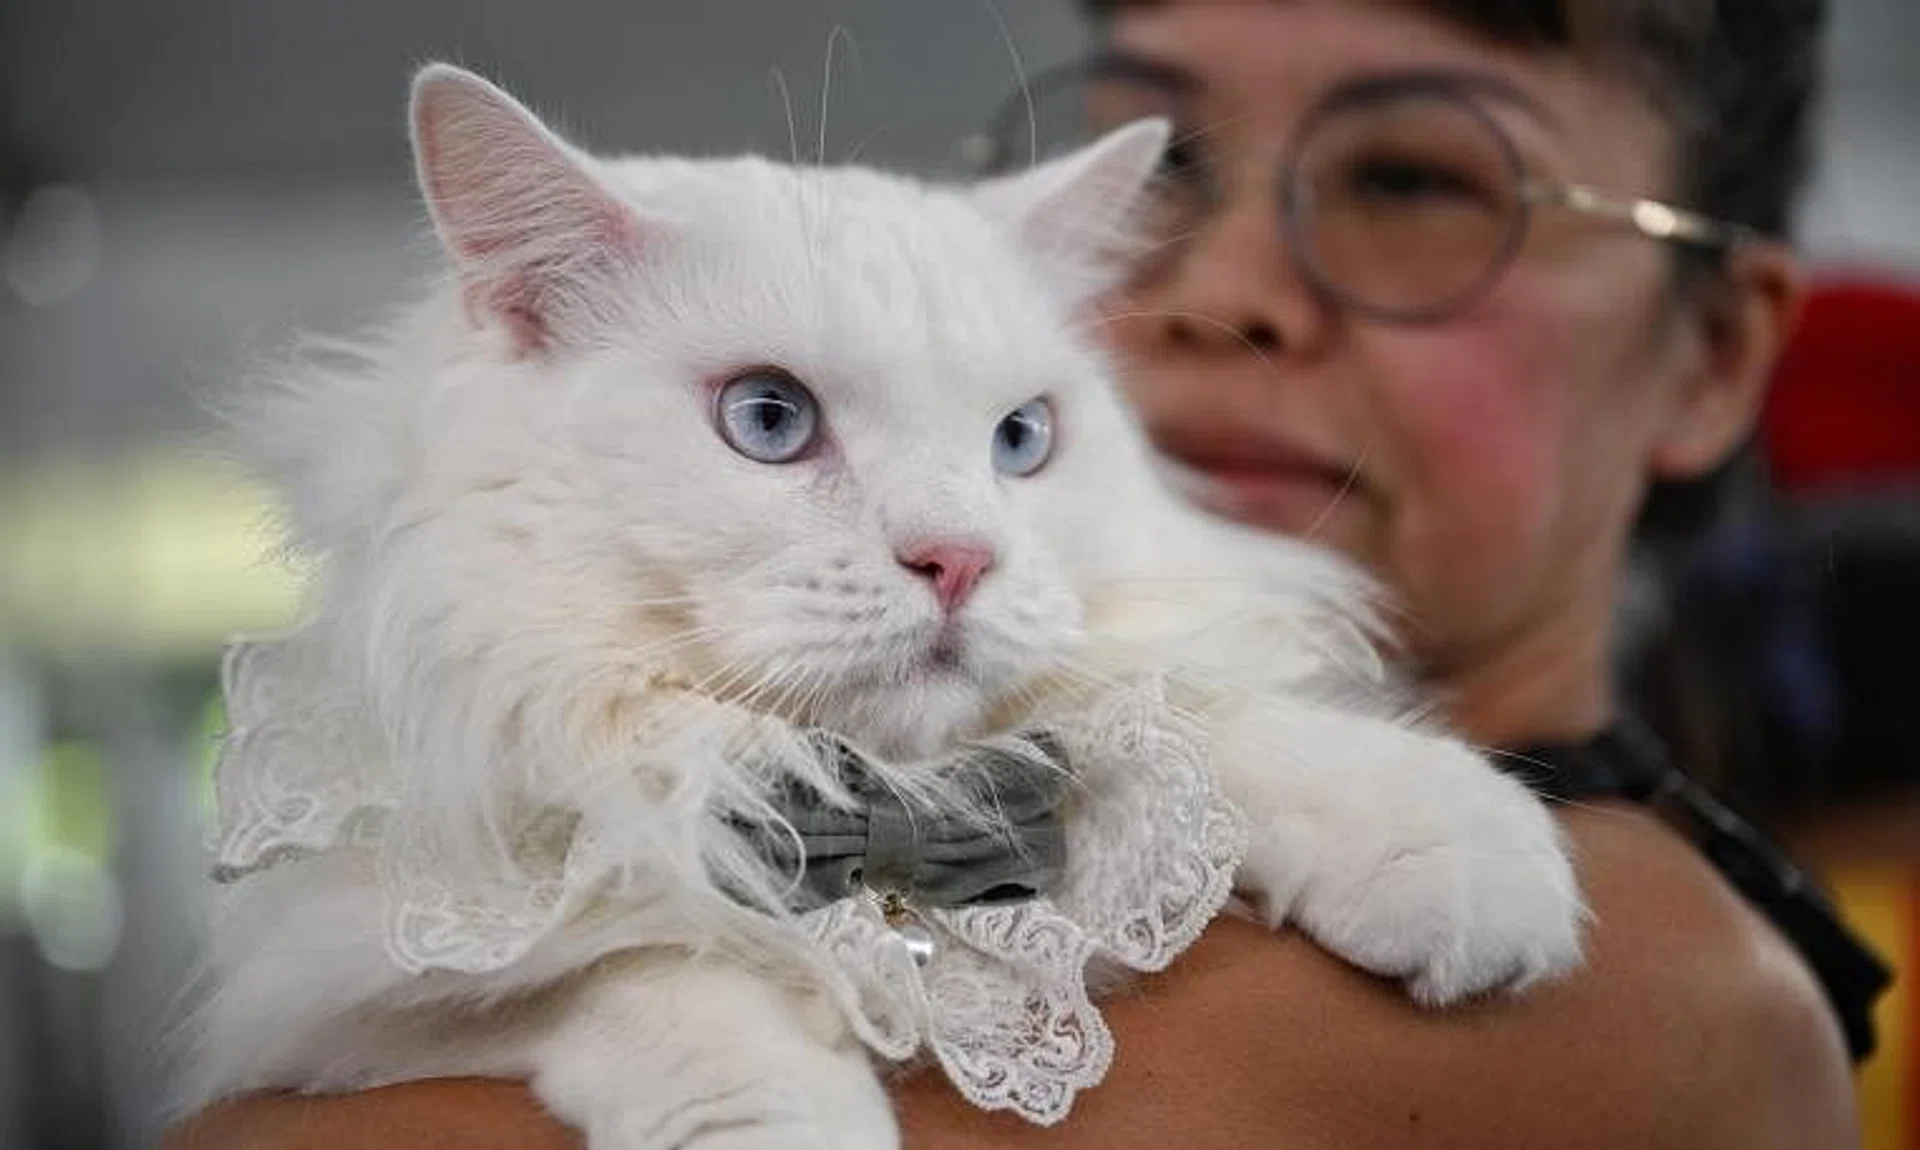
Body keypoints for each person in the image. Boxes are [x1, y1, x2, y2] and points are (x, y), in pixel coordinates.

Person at [162, 1, 1875, 1146]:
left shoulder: (1684, 997)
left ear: (1716, 352)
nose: (1213, 289)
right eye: (1175, 171)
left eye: (1417, 179)